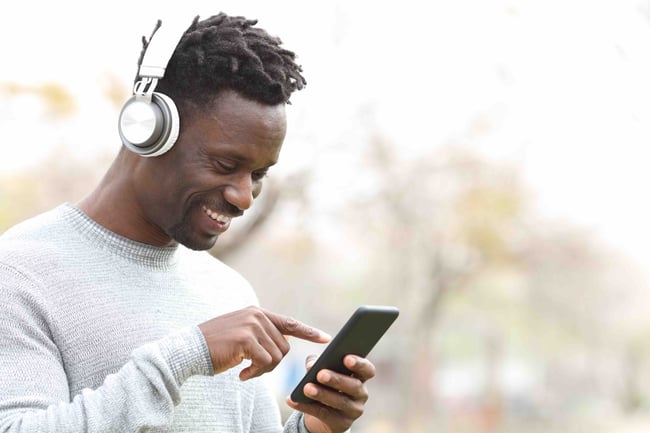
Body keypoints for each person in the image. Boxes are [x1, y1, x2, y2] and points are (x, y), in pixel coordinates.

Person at [0, 12, 376, 433]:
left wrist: (313, 427)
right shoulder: (18, 275)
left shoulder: (228, 291)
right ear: (146, 130)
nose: (244, 197)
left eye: (258, 175)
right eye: (225, 164)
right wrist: (187, 355)